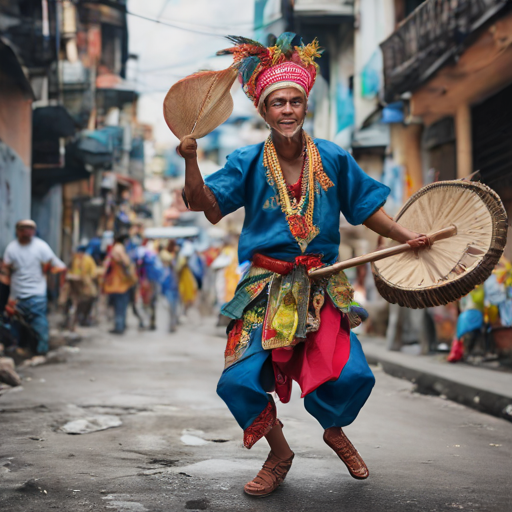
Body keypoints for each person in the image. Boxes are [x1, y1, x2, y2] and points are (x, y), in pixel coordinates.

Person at [176, 33, 429, 497]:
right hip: (264, 285)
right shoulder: (247, 160)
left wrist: (404, 235)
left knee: (351, 373)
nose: (287, 110)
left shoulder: (333, 156)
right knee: (237, 379)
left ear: (305, 105)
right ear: (264, 111)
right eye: (277, 103)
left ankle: (334, 429)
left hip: (321, 285)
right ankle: (279, 452)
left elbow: (365, 207)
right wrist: (191, 161)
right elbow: (205, 205)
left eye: (295, 101)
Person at [2, 220, 66, 354]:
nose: (27, 232)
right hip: (19, 296)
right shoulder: (15, 248)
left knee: (33, 323)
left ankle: (38, 351)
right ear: (18, 231)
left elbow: (57, 266)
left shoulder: (38, 247)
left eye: (29, 229)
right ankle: (26, 351)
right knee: (20, 324)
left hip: (32, 295)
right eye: (24, 229)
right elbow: (60, 267)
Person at [103, 234, 137, 334]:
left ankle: (119, 326)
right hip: (121, 284)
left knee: (119, 307)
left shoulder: (116, 249)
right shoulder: (119, 249)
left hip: (118, 285)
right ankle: (120, 326)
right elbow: (126, 263)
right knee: (121, 307)